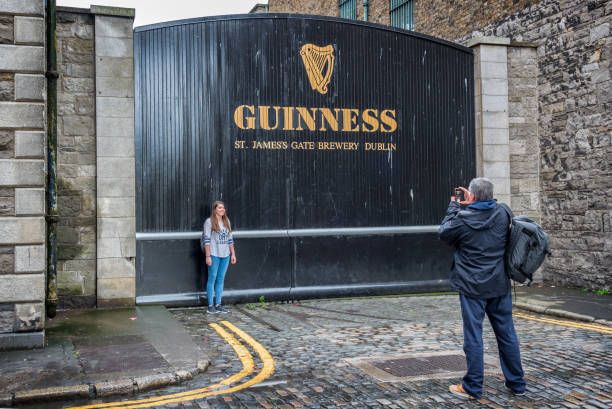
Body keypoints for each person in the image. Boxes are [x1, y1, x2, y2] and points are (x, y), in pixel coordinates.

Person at [438, 177, 526, 399]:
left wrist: (455, 205)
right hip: (499, 284)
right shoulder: (503, 212)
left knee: (474, 336)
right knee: (507, 334)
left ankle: (472, 387)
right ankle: (516, 383)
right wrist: (475, 203)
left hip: (472, 287)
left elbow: (443, 232)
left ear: (472, 196)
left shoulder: (461, 220)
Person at [202, 201, 236, 314]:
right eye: (220, 208)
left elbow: (230, 239)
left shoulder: (227, 221)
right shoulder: (209, 222)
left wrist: (233, 254)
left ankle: (218, 304)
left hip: (225, 255)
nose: (222, 209)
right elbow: (206, 240)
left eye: (224, 208)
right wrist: (208, 256)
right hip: (214, 254)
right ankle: (210, 305)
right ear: (215, 209)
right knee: (212, 278)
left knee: (221, 279)